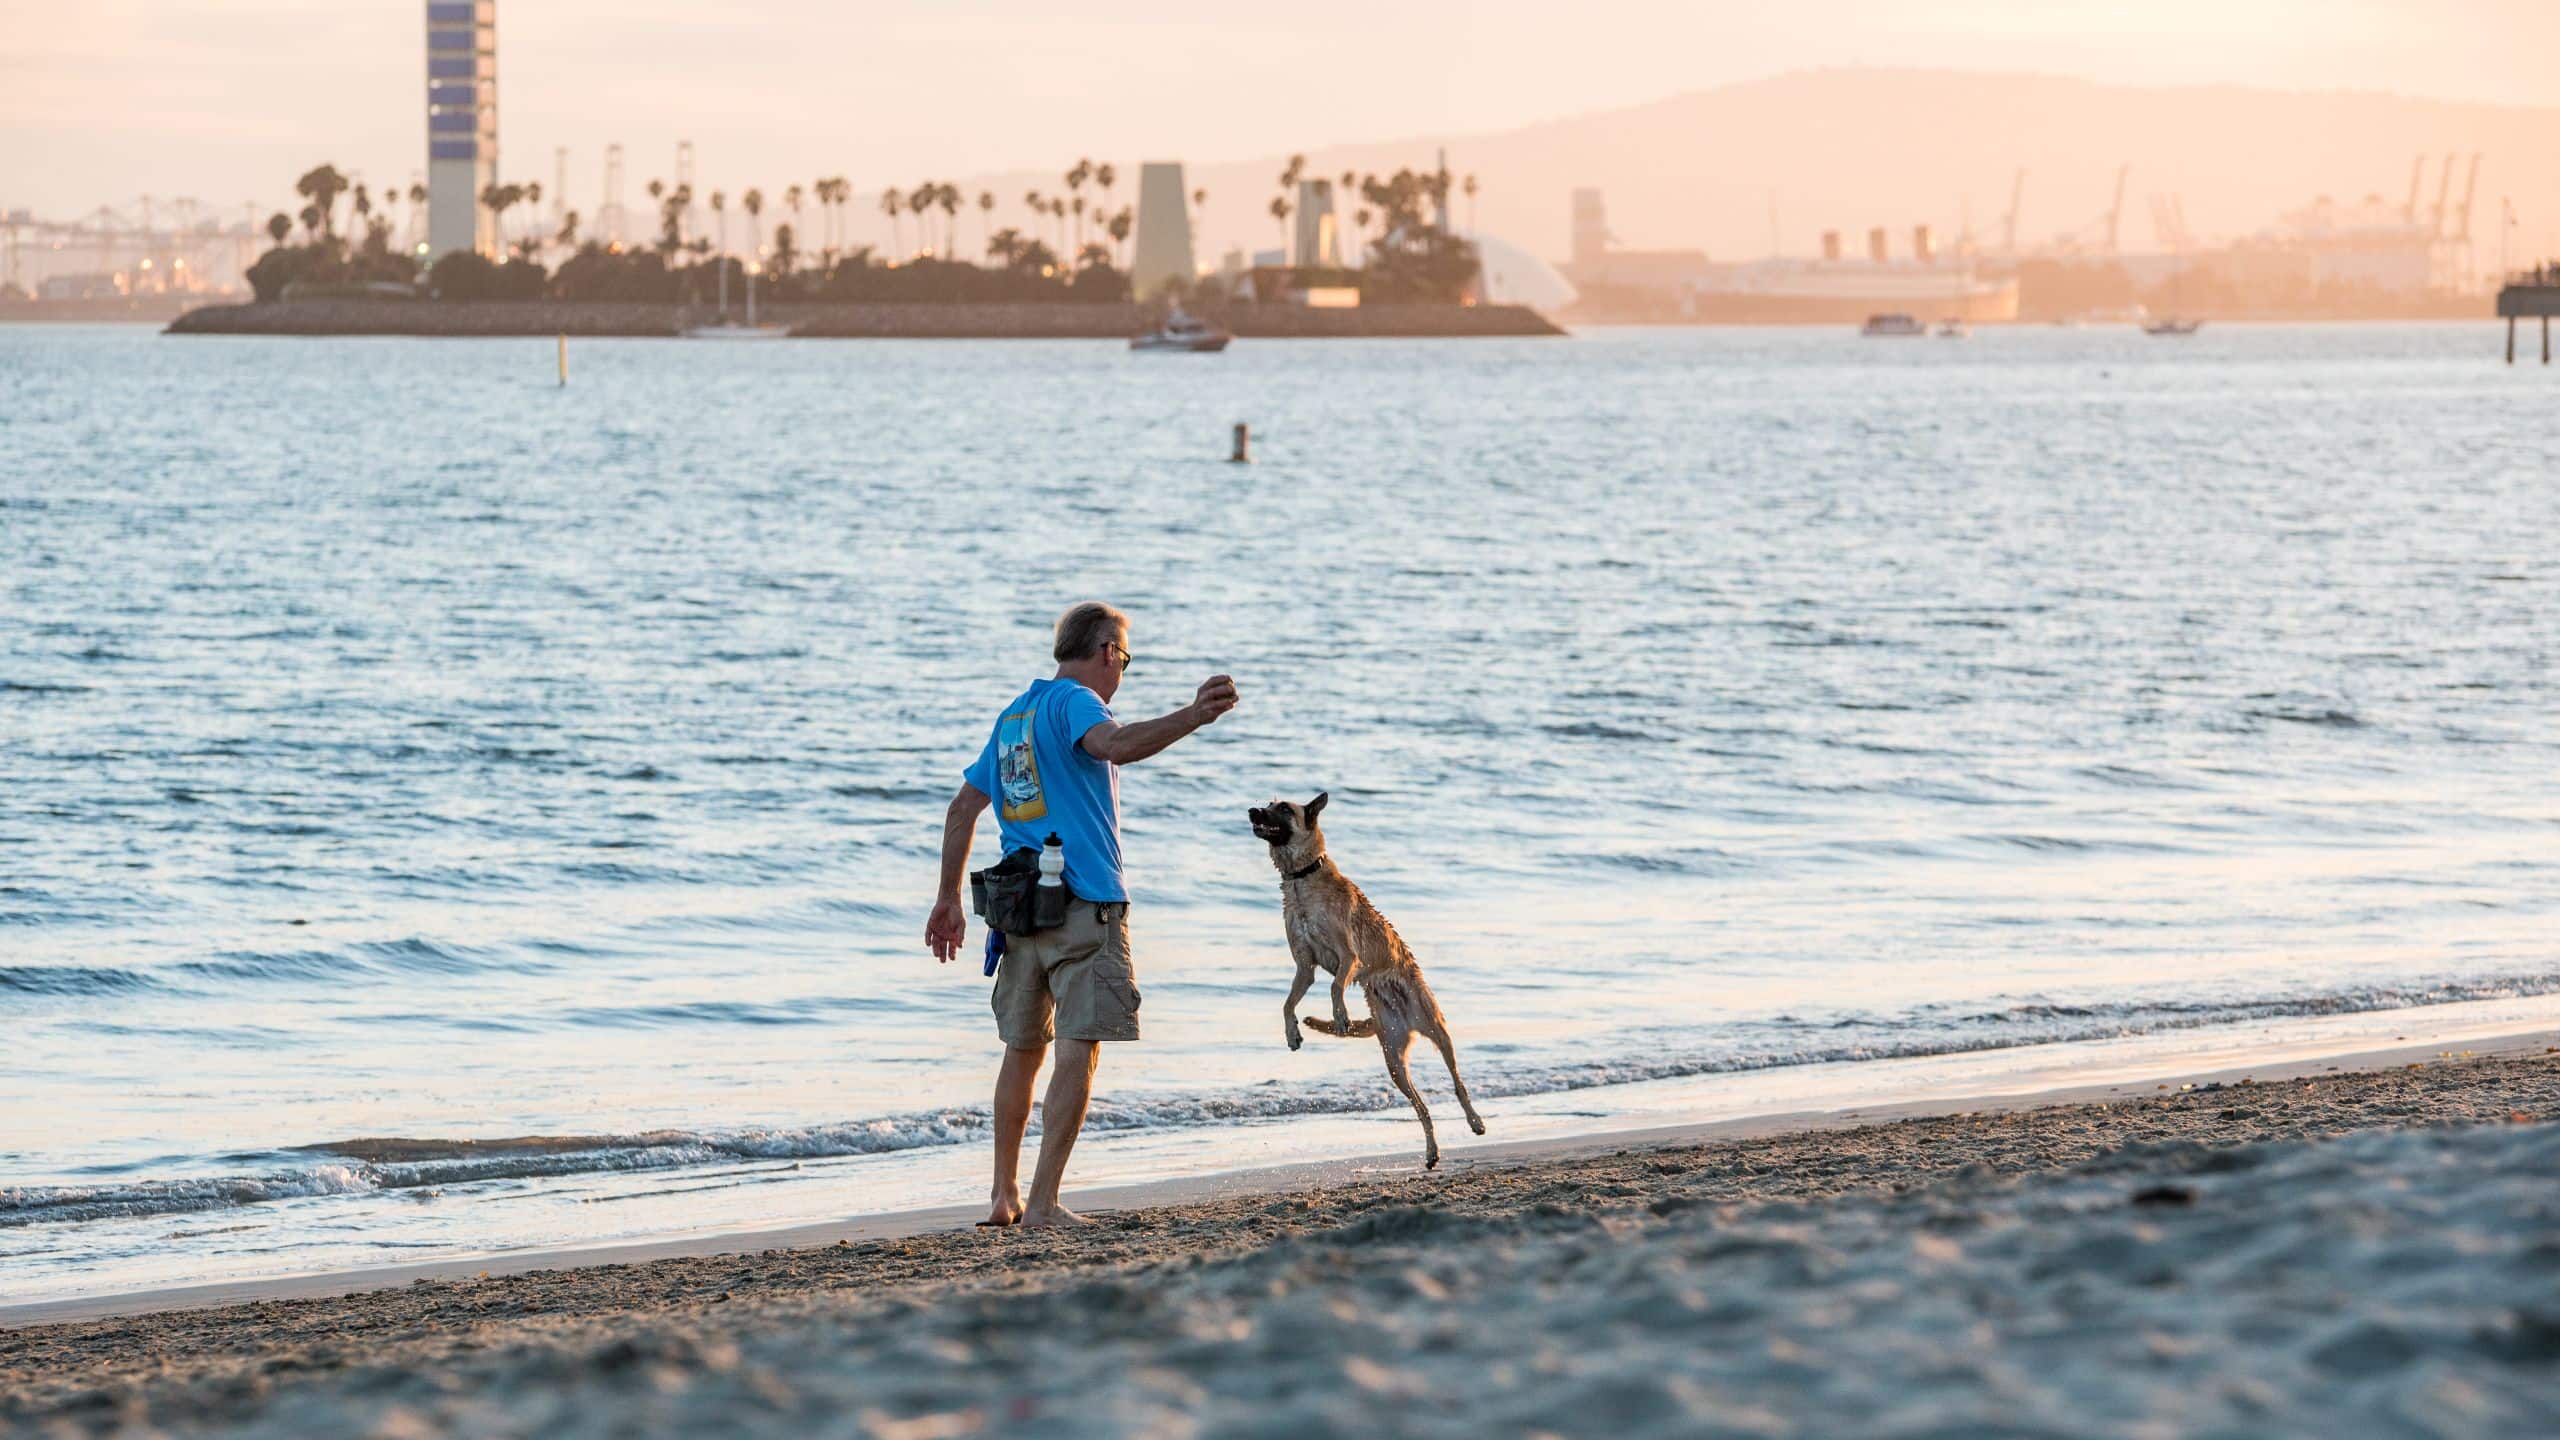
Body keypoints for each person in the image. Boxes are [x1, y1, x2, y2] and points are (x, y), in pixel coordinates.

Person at [926, 601, 1238, 1227]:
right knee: (1076, 1046)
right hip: (1084, 906)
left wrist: (948, 900)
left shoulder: (1015, 716)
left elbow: (963, 809)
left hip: (1018, 913)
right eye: (1122, 658)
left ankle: (1003, 1194)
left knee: (1021, 1050)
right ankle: (1042, 1204)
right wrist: (1193, 717)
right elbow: (1115, 746)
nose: (1119, 671)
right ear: (1103, 652)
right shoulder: (1078, 704)